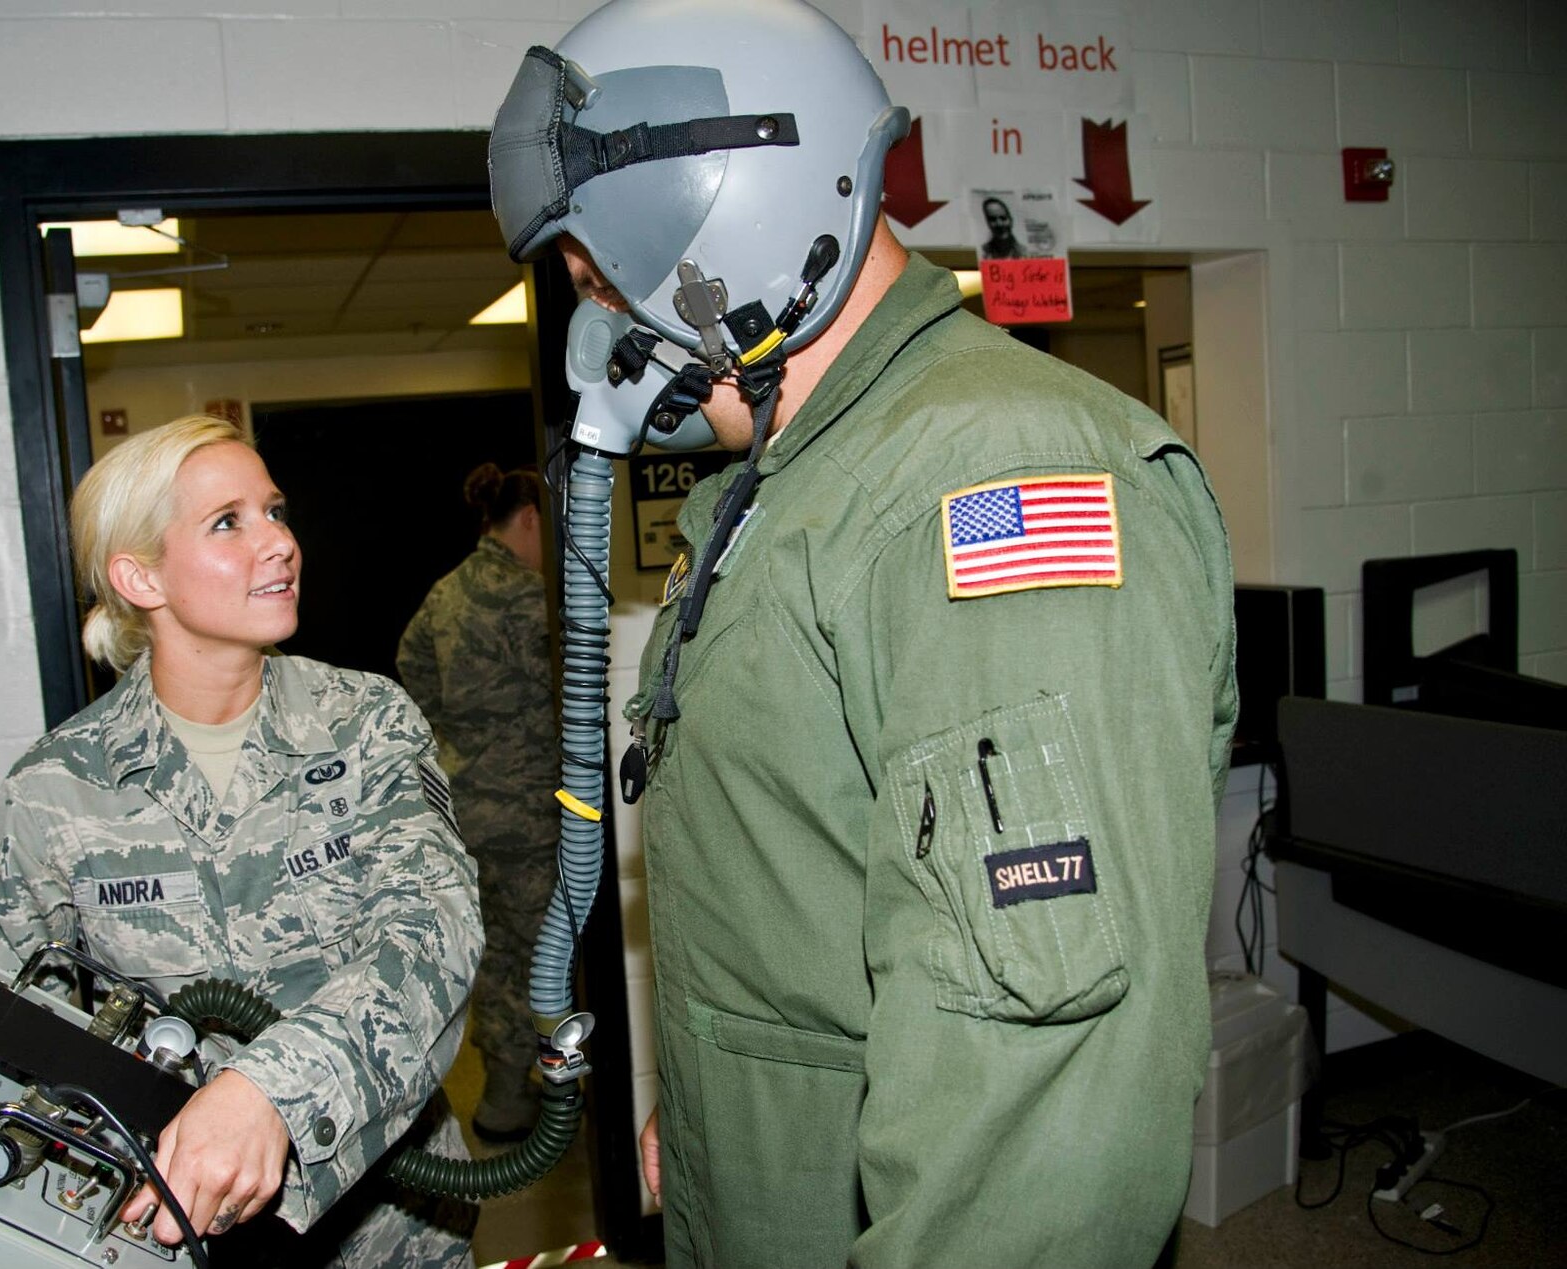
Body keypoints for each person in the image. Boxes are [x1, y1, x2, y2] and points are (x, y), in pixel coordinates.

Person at [487, 4, 1238, 1267]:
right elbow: (802, 862)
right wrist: (715, 1092)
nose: (596, 338)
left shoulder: (995, 478)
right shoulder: (789, 481)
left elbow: (1038, 1091)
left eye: (596, 282)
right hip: (780, 1177)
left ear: (732, 221)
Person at [0, 415, 481, 1267]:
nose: (278, 542)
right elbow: (11, 1024)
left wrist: (268, 1093)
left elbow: (435, 931)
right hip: (172, 1237)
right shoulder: (51, 794)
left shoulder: (367, 723)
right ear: (141, 576)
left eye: (274, 511)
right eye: (228, 522)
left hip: (390, 1227)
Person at [394, 463, 554, 1142]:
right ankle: (521, 1091)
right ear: (528, 520)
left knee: (494, 955)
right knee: (539, 952)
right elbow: (572, 695)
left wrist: (457, 742)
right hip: (531, 810)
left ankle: (505, 1082)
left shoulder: (445, 594)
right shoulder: (531, 598)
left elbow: (410, 672)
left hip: (466, 810)